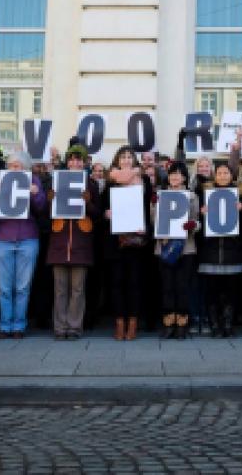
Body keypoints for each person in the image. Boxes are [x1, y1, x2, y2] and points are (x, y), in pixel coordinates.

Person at [0, 151, 47, 339]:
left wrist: (35, 195)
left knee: (22, 287)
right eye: (11, 165)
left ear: (25, 168)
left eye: (18, 165)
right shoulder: (1, 181)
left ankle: (19, 326)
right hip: (3, 238)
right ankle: (5, 325)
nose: (14, 168)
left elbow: (41, 208)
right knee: (5, 287)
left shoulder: (33, 180)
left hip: (27, 238)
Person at [47, 143, 100, 339]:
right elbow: (45, 215)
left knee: (78, 289)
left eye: (78, 159)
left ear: (84, 162)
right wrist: (49, 200)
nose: (74, 162)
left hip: (80, 244)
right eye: (71, 159)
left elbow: (98, 215)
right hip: (59, 243)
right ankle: (60, 328)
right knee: (60, 289)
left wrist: (89, 203)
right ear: (67, 162)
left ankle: (74, 327)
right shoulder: (55, 181)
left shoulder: (91, 184)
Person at [101, 146, 152, 341]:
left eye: (130, 157)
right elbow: (104, 206)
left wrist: (144, 227)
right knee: (116, 284)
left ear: (134, 160)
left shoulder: (144, 180)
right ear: (117, 160)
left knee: (135, 284)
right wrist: (106, 213)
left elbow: (148, 208)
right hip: (115, 241)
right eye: (122, 157)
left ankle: (132, 323)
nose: (126, 160)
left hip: (136, 241)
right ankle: (119, 323)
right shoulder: (110, 182)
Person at [197, 156, 242, 338]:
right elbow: (198, 227)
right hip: (210, 251)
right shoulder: (206, 195)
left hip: (232, 251)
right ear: (214, 175)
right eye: (219, 173)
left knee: (231, 291)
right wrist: (202, 215)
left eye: (226, 172)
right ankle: (215, 325)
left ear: (231, 176)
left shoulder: (238, 196)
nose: (223, 175)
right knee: (212, 291)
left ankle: (228, 324)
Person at [152, 160, 199, 339]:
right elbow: (152, 222)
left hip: (185, 248)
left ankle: (182, 323)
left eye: (179, 173)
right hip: (163, 247)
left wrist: (193, 224)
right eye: (172, 173)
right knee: (167, 286)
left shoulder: (192, 196)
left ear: (185, 177)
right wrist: (153, 205)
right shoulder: (160, 195)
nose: (175, 176)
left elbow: (197, 221)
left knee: (182, 286)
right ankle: (168, 322)